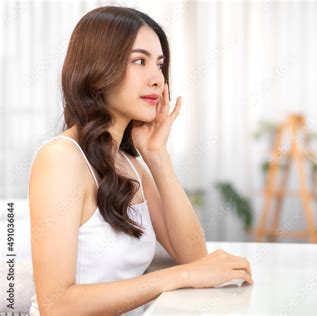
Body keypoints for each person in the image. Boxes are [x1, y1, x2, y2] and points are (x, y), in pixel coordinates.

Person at [28, 6, 253, 315]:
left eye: (160, 65)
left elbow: (194, 257)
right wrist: (177, 276)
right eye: (139, 61)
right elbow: (56, 305)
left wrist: (157, 156)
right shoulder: (61, 158)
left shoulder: (129, 163)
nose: (157, 79)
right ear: (97, 69)